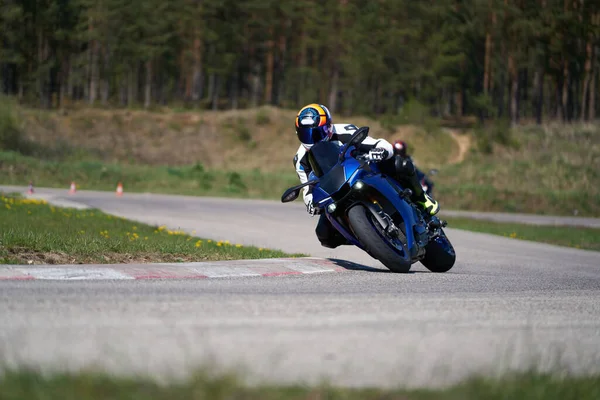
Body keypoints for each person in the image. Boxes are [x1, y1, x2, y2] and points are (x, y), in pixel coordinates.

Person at [293, 103, 439, 249]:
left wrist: (380, 151)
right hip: (335, 191)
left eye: (317, 133)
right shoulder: (300, 159)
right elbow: (307, 188)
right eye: (305, 134)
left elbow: (379, 144)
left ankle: (423, 199)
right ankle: (364, 236)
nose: (312, 139)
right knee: (324, 235)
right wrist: (310, 203)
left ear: (329, 127)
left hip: (362, 171)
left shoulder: (344, 130)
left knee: (401, 165)